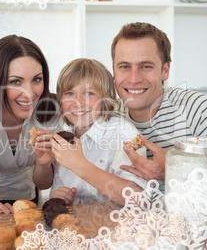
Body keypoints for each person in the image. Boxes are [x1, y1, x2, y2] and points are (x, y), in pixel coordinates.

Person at [111, 22, 207, 182]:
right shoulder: (107, 115)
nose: (134, 79)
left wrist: (177, 169)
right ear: (114, 70)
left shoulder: (196, 108)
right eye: (124, 67)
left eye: (146, 66)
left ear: (165, 70)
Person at [0, 35, 58, 212]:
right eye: (15, 82)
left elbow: (43, 184)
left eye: (37, 79)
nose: (29, 93)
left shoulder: (49, 114)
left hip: (30, 196)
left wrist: (43, 164)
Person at [49, 58, 147, 205]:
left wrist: (80, 165)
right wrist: (61, 197)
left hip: (115, 224)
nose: (78, 102)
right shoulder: (63, 139)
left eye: (89, 93)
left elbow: (138, 198)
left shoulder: (123, 133)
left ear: (105, 99)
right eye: (69, 94)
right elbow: (58, 186)